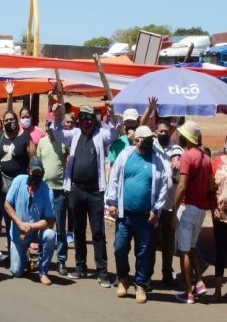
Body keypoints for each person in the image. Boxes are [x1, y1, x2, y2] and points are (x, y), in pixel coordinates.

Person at [50, 103, 119, 287]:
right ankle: (80, 268)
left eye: (89, 118)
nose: (86, 122)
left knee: (98, 233)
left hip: (95, 191)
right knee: (78, 230)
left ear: (94, 120)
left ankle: (102, 272)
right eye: (83, 118)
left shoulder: (101, 134)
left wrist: (112, 117)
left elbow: (115, 133)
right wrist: (56, 116)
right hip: (76, 190)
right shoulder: (74, 134)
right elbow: (57, 133)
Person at [105, 126, 169, 304]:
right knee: (120, 247)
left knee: (144, 252)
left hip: (145, 217)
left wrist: (156, 210)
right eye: (146, 138)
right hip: (125, 215)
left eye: (151, 139)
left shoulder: (156, 161)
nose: (149, 142)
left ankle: (140, 284)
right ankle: (123, 278)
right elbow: (115, 179)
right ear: (137, 140)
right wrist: (111, 202)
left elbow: (163, 186)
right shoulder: (125, 156)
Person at [173, 120, 214, 304]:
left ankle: (189, 292)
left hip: (188, 207)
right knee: (191, 246)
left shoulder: (187, 156)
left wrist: (174, 210)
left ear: (186, 138)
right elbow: (211, 185)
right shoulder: (206, 158)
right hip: (201, 209)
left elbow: (181, 186)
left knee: (184, 251)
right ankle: (199, 283)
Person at [4, 157, 56, 285]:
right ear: (28, 171)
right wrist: (20, 223)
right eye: (34, 172)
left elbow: (50, 221)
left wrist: (30, 227)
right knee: (16, 272)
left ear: (42, 174)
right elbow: (7, 204)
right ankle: (27, 260)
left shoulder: (47, 190)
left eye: (39, 173)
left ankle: (43, 271)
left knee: (50, 235)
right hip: (19, 231)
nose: (36, 176)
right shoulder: (18, 181)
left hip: (37, 231)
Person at [0, 109, 36, 255]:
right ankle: (12, 253)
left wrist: (33, 183)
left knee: (20, 218)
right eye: (6, 120)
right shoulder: (0, 137)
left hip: (21, 187)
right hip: (2, 186)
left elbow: (34, 162)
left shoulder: (25, 137)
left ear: (17, 121)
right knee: (7, 219)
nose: (9, 122)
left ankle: (23, 253)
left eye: (12, 120)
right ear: (3, 123)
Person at [37, 123, 69, 276]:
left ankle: (61, 260)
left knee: (60, 227)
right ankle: (43, 258)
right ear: (45, 127)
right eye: (49, 126)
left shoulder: (64, 142)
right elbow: (38, 164)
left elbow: (69, 162)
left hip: (59, 190)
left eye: (54, 126)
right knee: (43, 226)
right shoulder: (42, 142)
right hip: (43, 190)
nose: (51, 129)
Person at [151, 117, 180, 287]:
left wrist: (177, 160)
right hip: (154, 204)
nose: (163, 134)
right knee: (151, 240)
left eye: (166, 132)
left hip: (169, 204)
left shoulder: (174, 148)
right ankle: (147, 274)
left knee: (168, 243)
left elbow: (178, 155)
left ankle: (167, 274)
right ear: (155, 132)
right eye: (160, 131)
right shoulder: (152, 146)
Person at [211, 131, 227, 302]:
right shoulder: (217, 162)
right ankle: (218, 291)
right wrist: (212, 206)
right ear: (224, 144)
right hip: (219, 216)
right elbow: (209, 186)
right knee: (220, 253)